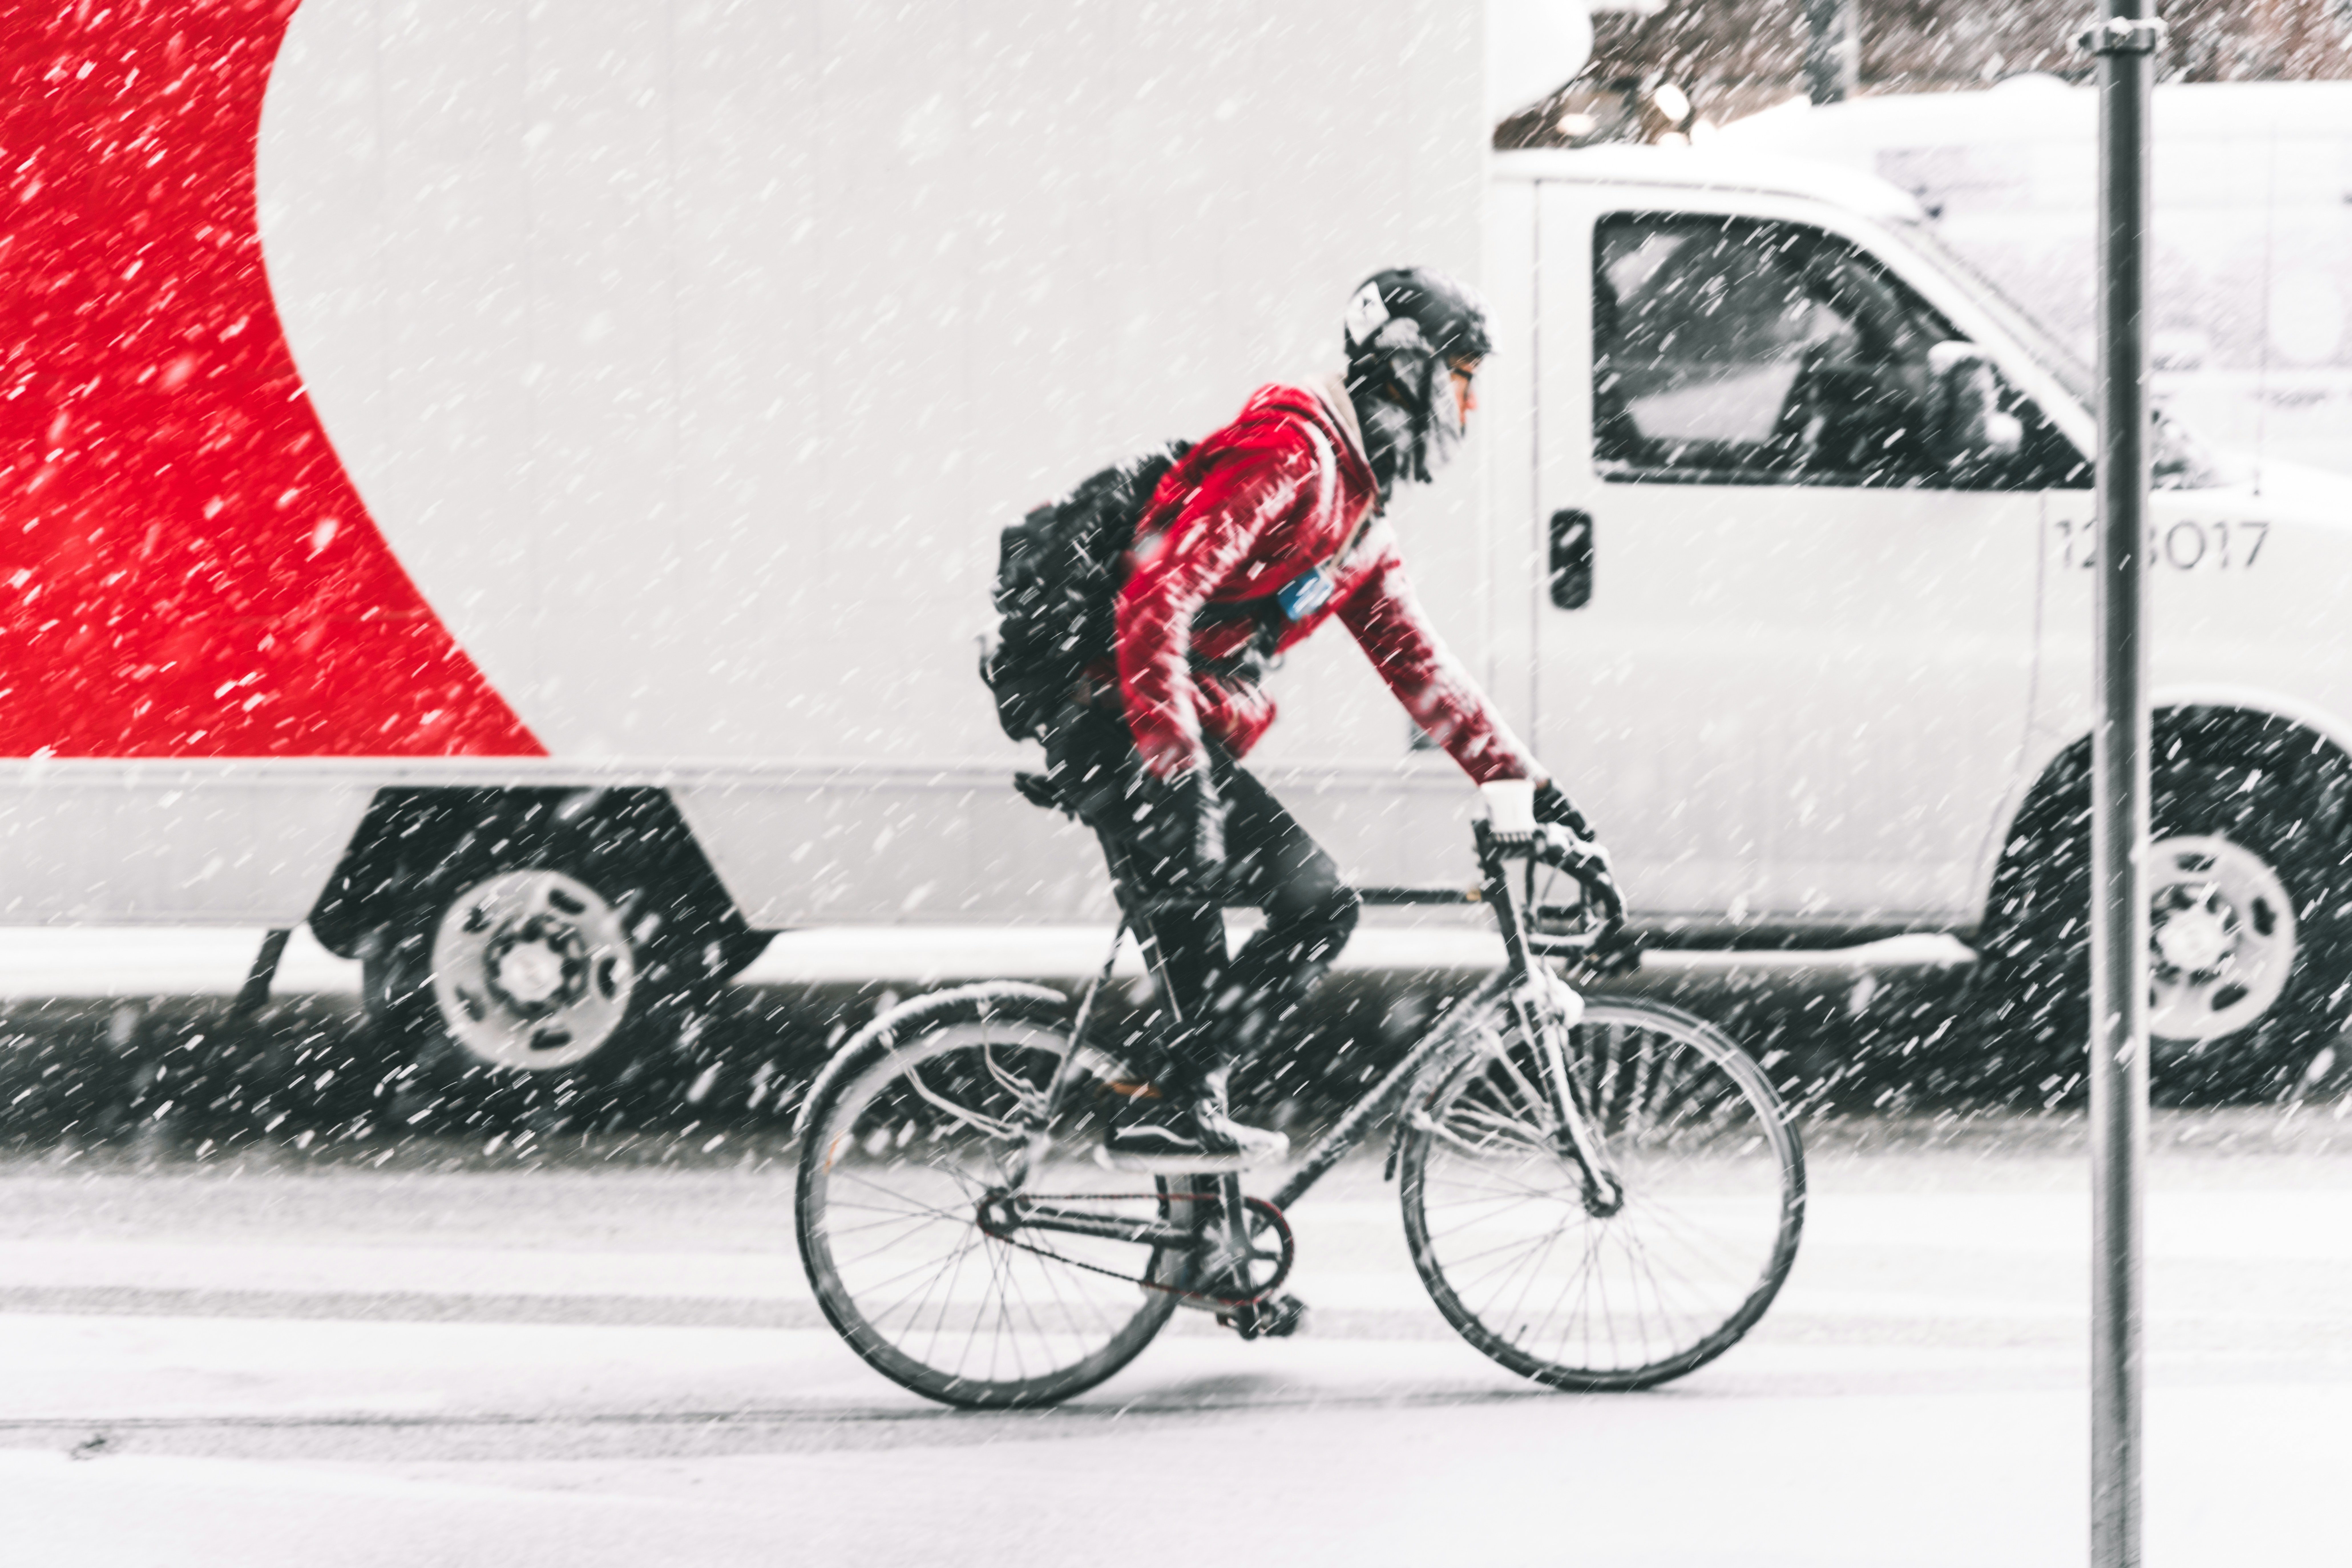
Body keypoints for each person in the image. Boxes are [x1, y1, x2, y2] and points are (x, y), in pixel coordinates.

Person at [1043, 267, 1616, 1172]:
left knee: (1199, 1045)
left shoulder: (1357, 515)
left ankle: (1195, 1200)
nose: (1469, 406)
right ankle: (1175, 1108)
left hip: (1156, 732)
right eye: (1462, 376)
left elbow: (1424, 676)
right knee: (1315, 908)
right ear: (1406, 367)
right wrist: (1176, 773)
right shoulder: (1292, 456)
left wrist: (1543, 802)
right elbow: (1158, 597)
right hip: (1124, 726)